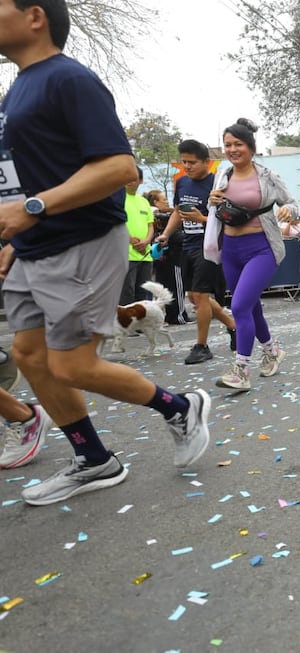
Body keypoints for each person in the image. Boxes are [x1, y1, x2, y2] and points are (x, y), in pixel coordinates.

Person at [0, 0, 212, 506]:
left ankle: (181, 407)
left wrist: (34, 207)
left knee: (71, 365)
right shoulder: (17, 90)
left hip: (80, 242)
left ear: (35, 16)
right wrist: (12, 239)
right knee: (30, 356)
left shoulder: (69, 79)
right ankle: (94, 460)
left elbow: (121, 169)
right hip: (32, 249)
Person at [202, 119, 293, 391]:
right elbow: (215, 207)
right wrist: (213, 200)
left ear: (251, 147)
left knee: (239, 306)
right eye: (228, 144)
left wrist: (290, 211)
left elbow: (290, 201)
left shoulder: (267, 176)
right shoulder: (222, 175)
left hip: (261, 248)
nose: (232, 149)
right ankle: (271, 352)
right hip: (230, 250)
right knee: (251, 307)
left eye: (238, 144)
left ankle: (241, 370)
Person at [158, 139, 237, 365]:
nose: (188, 166)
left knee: (201, 296)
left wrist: (201, 219)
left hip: (210, 245)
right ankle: (233, 327)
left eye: (192, 162)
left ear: (206, 162)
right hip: (188, 245)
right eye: (184, 162)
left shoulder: (218, 184)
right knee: (193, 295)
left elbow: (227, 218)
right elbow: (177, 212)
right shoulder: (182, 183)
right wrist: (166, 234)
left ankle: (202, 346)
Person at [145, 189, 190, 325]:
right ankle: (178, 315)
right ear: (155, 202)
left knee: (166, 288)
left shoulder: (165, 216)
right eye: (163, 199)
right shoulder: (154, 216)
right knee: (172, 287)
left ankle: (171, 315)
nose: (167, 202)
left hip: (165, 257)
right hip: (169, 258)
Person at [119, 166, 155, 306]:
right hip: (126, 254)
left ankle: (141, 326)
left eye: (134, 178)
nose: (130, 181)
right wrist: (131, 240)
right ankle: (126, 327)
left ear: (141, 180)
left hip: (145, 255)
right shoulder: (118, 199)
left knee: (143, 293)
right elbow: (117, 222)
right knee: (126, 293)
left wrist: (146, 241)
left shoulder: (144, 201)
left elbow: (150, 225)